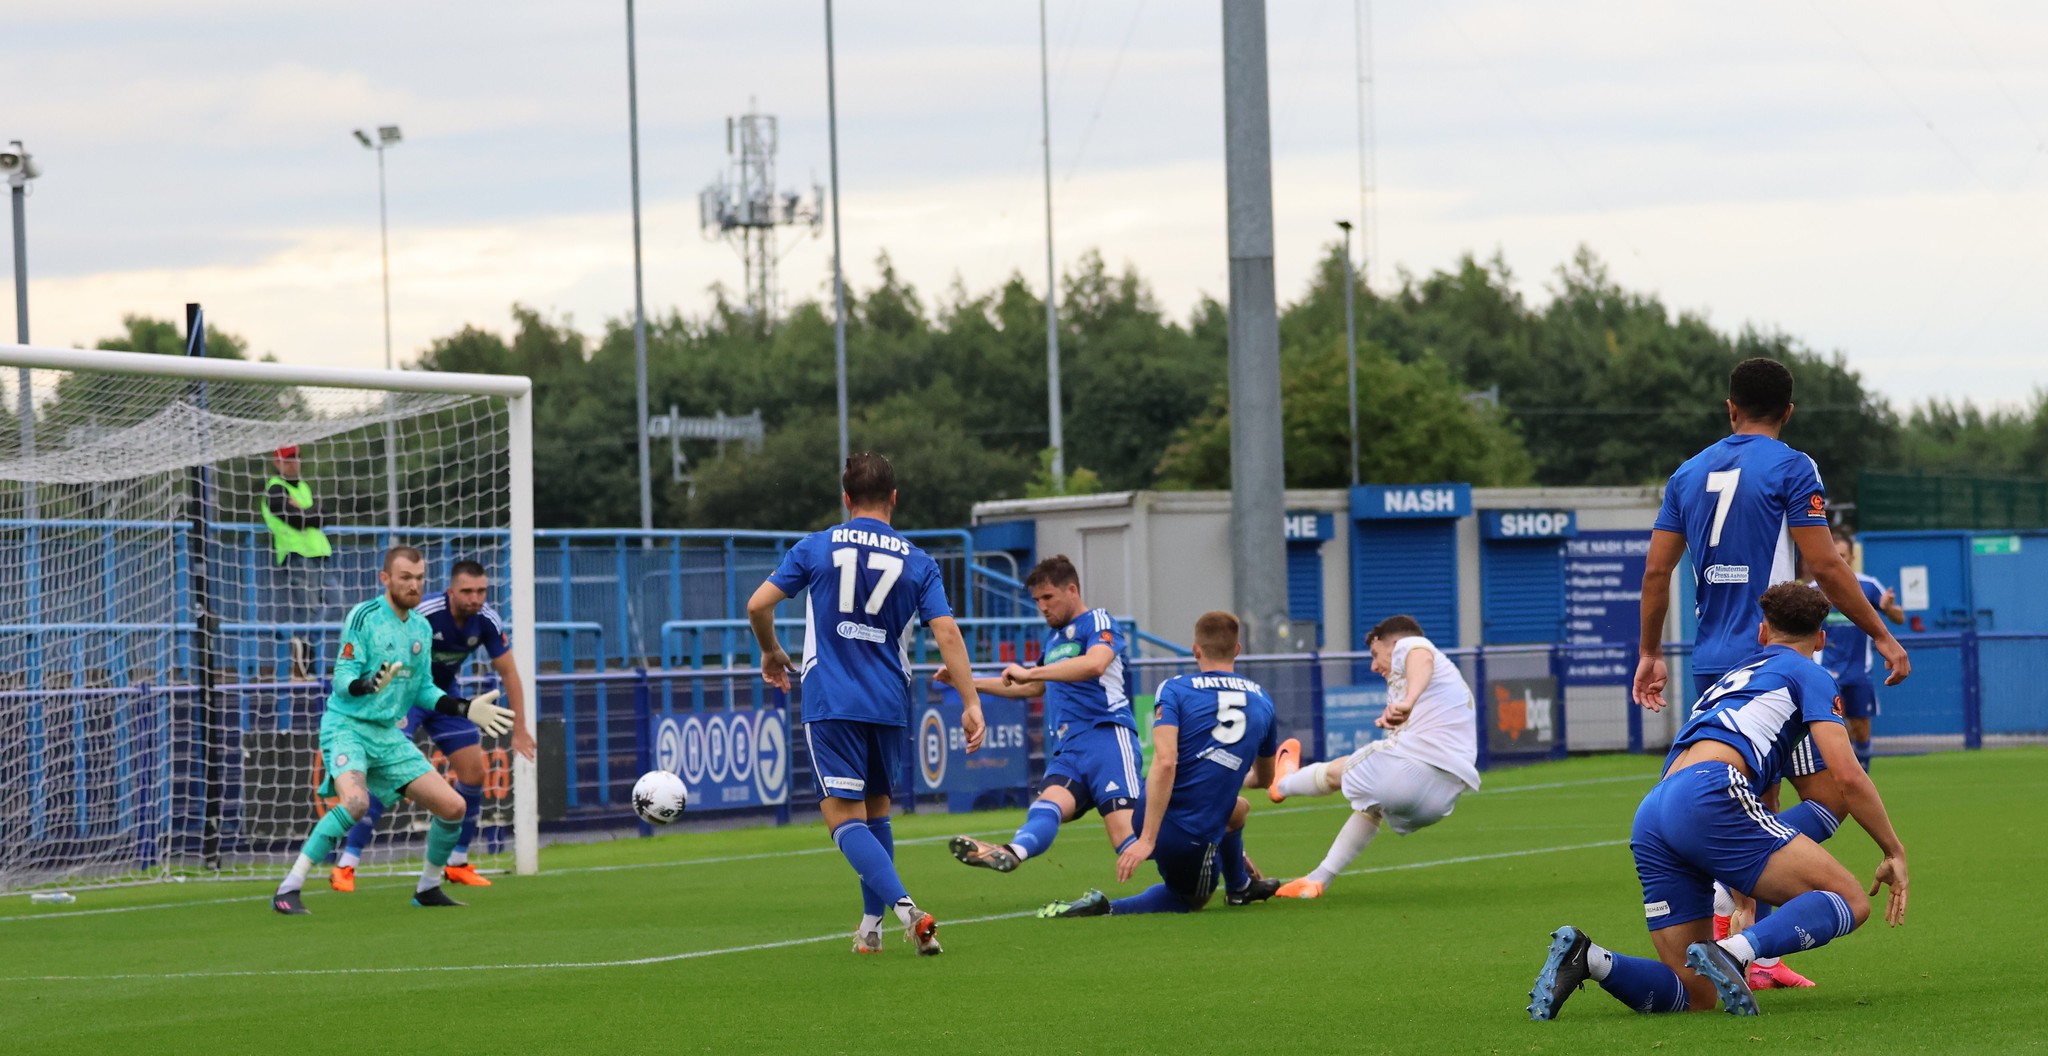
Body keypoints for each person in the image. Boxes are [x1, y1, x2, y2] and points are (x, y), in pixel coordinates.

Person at [1528, 582, 1909, 1018]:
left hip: (1654, 810)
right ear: (1821, 639)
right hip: (1710, 793)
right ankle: (1736, 950)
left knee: (1696, 996)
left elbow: (1815, 789)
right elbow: (1848, 776)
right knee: (1850, 899)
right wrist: (1892, 849)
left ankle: (1590, 959)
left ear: (1763, 633)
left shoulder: (1732, 679)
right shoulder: (1811, 674)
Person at [746, 453, 985, 956]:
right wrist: (970, 701)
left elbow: (758, 604)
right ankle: (871, 928)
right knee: (876, 812)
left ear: (846, 498)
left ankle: (906, 910)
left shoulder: (815, 547)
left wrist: (770, 650)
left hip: (832, 698)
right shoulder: (918, 561)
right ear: (895, 498)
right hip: (888, 700)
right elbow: (946, 631)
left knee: (841, 816)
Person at [1636, 357, 1909, 711]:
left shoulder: (1685, 475)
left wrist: (1650, 651)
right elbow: (1825, 565)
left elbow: (1656, 573)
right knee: (1833, 767)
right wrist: (1882, 634)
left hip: (1711, 665)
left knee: (1728, 766)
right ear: (1788, 412)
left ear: (1731, 409)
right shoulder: (1794, 467)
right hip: (1775, 658)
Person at [270, 546, 514, 914]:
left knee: (453, 806)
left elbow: (425, 690)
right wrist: (367, 685)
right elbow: (341, 678)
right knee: (355, 802)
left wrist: (466, 708)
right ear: (385, 579)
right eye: (405, 578)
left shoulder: (421, 627)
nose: (414, 586)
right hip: (347, 727)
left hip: (386, 734)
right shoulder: (364, 615)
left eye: (419, 579)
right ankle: (289, 888)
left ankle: (428, 887)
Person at [1037, 611, 1282, 918]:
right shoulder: (1262, 700)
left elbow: (1166, 760)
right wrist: (1147, 842)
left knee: (1238, 808)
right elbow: (1263, 778)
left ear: (1195, 650)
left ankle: (1239, 888)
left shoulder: (1174, 688)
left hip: (1147, 813)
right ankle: (1106, 909)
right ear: (1237, 649)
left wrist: (1147, 832)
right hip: (1190, 833)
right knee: (1189, 900)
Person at [331, 559, 534, 892]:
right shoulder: (425, 612)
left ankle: (456, 862)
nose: (475, 598)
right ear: (450, 591)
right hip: (405, 697)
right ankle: (347, 864)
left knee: (474, 773)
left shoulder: (486, 620)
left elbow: (509, 672)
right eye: (467, 591)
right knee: (387, 774)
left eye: (481, 591)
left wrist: (521, 728)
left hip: (442, 697)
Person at [944, 555, 1144, 876]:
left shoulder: (1098, 621)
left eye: (1049, 597)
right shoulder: (1053, 639)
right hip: (1070, 751)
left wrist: (1032, 673)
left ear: (1073, 590)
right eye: (1037, 600)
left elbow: (1095, 663)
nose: (1043, 606)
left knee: (1127, 840)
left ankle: (1221, 852)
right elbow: (1031, 687)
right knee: (1046, 806)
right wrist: (966, 681)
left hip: (1107, 739)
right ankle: (1011, 852)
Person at [1264, 614, 1480, 899]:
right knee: (1370, 809)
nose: (1373, 665)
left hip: (1414, 768)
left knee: (1333, 773)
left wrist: (1408, 700)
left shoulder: (1410, 646)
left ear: (1388, 643)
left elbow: (1420, 657)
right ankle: (1318, 880)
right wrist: (1404, 705)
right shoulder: (1441, 683)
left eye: (1375, 654)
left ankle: (1283, 783)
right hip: (1442, 799)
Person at [1810, 527, 1905, 773]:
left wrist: (1888, 608)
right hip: (1825, 671)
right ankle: (1842, 777)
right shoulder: (1813, 589)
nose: (1839, 559)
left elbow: (1898, 618)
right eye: (1835, 554)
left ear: (1852, 558)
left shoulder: (1868, 586)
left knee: (1861, 726)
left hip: (1858, 670)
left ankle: (1864, 774)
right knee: (1835, 727)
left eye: (1843, 555)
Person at [261, 444, 333, 680]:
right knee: (309, 609)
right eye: (289, 459)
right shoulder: (275, 490)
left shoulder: (302, 487)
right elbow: (296, 520)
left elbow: (324, 514)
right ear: (277, 462)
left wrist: (309, 512)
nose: (294, 463)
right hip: (297, 555)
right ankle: (305, 663)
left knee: (335, 601)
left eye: (296, 458)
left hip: (319, 554)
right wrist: (310, 513)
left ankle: (301, 650)